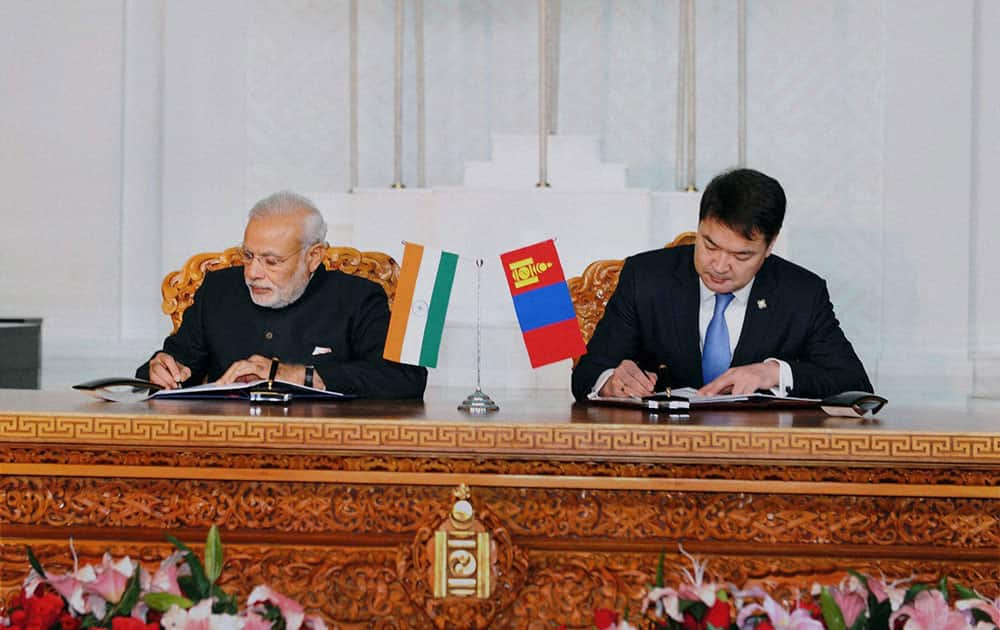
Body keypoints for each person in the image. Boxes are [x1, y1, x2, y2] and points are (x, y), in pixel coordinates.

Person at [572, 168, 872, 402]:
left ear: (769, 247)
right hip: (660, 453)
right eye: (710, 245)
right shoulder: (646, 277)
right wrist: (610, 381)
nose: (719, 266)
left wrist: (772, 373)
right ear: (699, 226)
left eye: (741, 255)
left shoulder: (801, 294)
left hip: (759, 460)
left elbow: (855, 384)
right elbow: (586, 373)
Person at [137, 191, 427, 399]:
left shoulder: (358, 297)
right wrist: (161, 369)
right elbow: (174, 362)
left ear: (313, 257)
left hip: (325, 456)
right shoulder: (218, 290)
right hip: (228, 449)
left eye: (271, 261)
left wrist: (301, 376)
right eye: (248, 255)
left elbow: (406, 379)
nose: (252, 272)